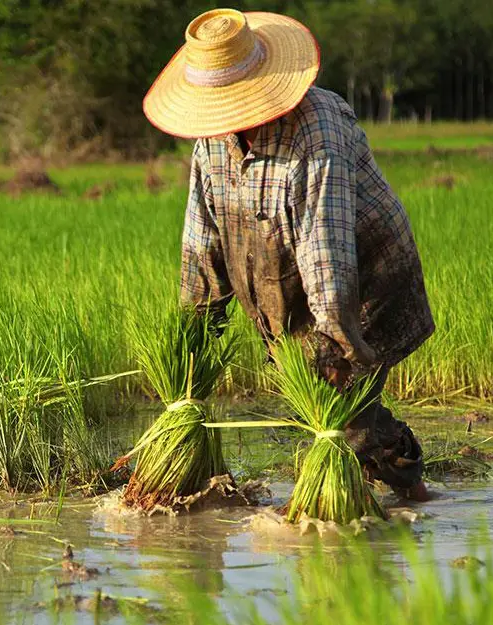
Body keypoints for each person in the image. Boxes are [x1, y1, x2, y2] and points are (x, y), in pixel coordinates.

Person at [142, 8, 435, 501]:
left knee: (344, 410)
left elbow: (328, 253)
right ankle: (388, 471)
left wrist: (336, 342)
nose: (227, 117)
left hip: (365, 278)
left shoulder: (316, 131)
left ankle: (409, 493)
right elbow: (201, 245)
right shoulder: (211, 146)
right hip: (283, 284)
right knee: (319, 402)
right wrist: (190, 346)